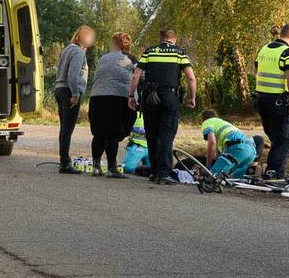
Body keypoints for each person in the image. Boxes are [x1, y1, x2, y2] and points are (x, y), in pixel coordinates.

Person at [129, 29, 197, 184]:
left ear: (160, 39)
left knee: (152, 135)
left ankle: (154, 172)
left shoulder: (149, 52)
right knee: (166, 135)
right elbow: (191, 78)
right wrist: (192, 97)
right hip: (170, 97)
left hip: (149, 98)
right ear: (174, 39)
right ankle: (164, 173)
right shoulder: (179, 53)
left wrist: (131, 96)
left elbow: (135, 76)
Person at [255, 23, 289, 182]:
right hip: (280, 102)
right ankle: (274, 175)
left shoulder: (264, 49)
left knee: (276, 137)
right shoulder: (288, 53)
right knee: (285, 138)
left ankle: (275, 170)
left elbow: (258, 70)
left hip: (262, 100)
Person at [88, 32, 137, 178]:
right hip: (116, 98)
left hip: (96, 97)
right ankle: (112, 168)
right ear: (127, 44)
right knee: (112, 134)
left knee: (99, 133)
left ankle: (96, 167)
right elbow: (139, 75)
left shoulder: (103, 58)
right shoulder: (130, 58)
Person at [54, 25, 96, 174]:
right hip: (69, 91)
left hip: (59, 89)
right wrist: (75, 94)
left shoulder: (66, 49)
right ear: (83, 38)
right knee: (68, 128)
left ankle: (63, 160)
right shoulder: (78, 52)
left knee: (64, 127)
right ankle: (65, 163)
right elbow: (73, 75)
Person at [200, 109, 257, 178]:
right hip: (250, 150)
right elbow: (218, 153)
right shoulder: (222, 123)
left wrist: (208, 166)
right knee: (233, 179)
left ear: (203, 119)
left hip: (237, 147)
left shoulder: (207, 122)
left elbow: (212, 142)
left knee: (213, 176)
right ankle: (257, 170)